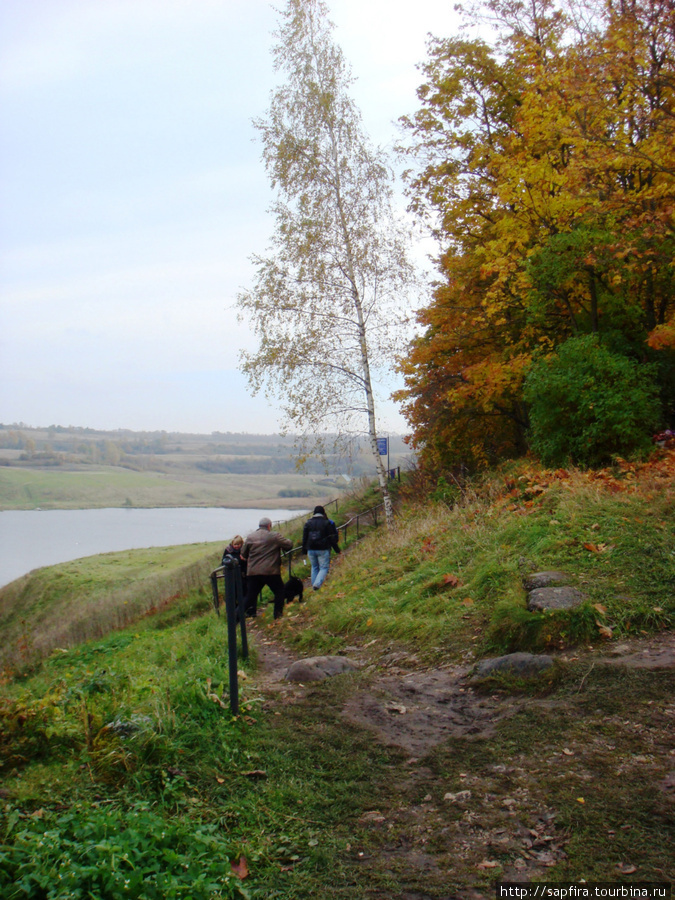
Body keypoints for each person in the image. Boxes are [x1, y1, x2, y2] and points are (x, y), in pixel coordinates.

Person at [240, 517, 293, 619]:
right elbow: (288, 545)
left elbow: (243, 554)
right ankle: (278, 615)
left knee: (250, 596)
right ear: (269, 526)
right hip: (271, 571)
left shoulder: (250, 537)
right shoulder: (274, 536)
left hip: (253, 572)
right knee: (279, 592)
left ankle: (235, 617)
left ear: (259, 526)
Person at [302, 505, 341, 591]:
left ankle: (314, 588)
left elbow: (305, 537)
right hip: (323, 549)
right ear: (323, 513)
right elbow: (331, 538)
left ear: (314, 513)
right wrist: (337, 549)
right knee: (324, 568)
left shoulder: (308, 523)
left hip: (311, 549)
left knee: (314, 567)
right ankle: (317, 585)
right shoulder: (326, 523)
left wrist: (304, 550)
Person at [222, 535, 247, 613]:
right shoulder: (228, 551)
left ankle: (242, 611)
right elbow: (224, 562)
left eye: (238, 544)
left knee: (244, 592)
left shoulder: (244, 550)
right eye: (235, 544)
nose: (236, 546)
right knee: (233, 594)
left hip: (243, 575)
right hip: (232, 576)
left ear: (241, 544)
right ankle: (234, 612)